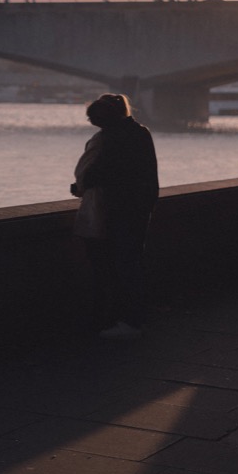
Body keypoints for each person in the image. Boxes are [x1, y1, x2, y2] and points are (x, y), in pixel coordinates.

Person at [71, 93, 158, 339]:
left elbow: (92, 175)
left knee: (115, 268)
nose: (92, 124)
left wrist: (81, 185)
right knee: (130, 264)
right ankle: (132, 318)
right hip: (139, 208)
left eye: (94, 119)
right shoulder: (141, 133)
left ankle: (124, 321)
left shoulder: (109, 139)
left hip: (115, 210)